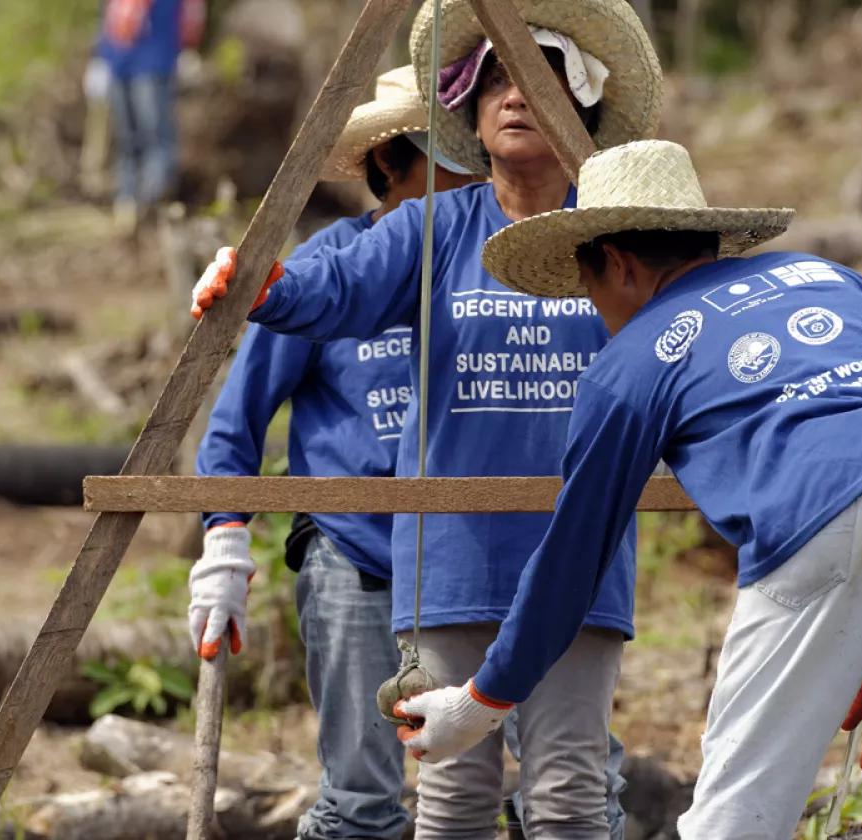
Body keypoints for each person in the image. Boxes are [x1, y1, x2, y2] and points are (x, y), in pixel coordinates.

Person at [388, 138, 862, 839]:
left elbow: (571, 562)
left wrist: (481, 702)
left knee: (733, 821)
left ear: (615, 263)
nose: (597, 313)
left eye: (587, 289)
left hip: (815, 515)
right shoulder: (825, 277)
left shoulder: (628, 366)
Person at [188, 1, 662, 834]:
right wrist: (262, 282)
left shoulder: (619, 237)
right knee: (453, 798)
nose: (516, 96)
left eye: (542, 79)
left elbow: (684, 356)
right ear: (470, 119)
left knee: (569, 796)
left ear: (579, 106)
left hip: (580, 556)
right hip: (448, 563)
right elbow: (335, 289)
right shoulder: (432, 229)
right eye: (495, 83)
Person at [188, 66, 477, 840]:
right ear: (391, 162)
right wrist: (224, 538)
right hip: (355, 554)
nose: (472, 176)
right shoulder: (333, 268)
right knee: (360, 796)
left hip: (474, 560)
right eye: (447, 157)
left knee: (487, 787)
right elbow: (236, 419)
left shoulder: (493, 266)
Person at [93, 0, 204, 227]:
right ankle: (126, 201)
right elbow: (110, 16)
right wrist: (100, 57)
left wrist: (188, 48)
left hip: (154, 63)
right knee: (126, 137)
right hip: (119, 63)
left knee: (155, 136)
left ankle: (152, 205)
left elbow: (189, 14)